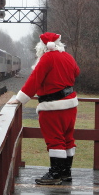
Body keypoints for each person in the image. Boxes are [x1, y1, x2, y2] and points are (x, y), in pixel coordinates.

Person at [8, 32, 80, 185]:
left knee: (55, 139)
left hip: (53, 107)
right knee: (67, 138)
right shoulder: (68, 56)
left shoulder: (47, 58)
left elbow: (35, 80)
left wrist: (20, 99)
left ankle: (55, 174)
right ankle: (66, 172)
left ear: (42, 47)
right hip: (71, 105)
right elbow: (76, 72)